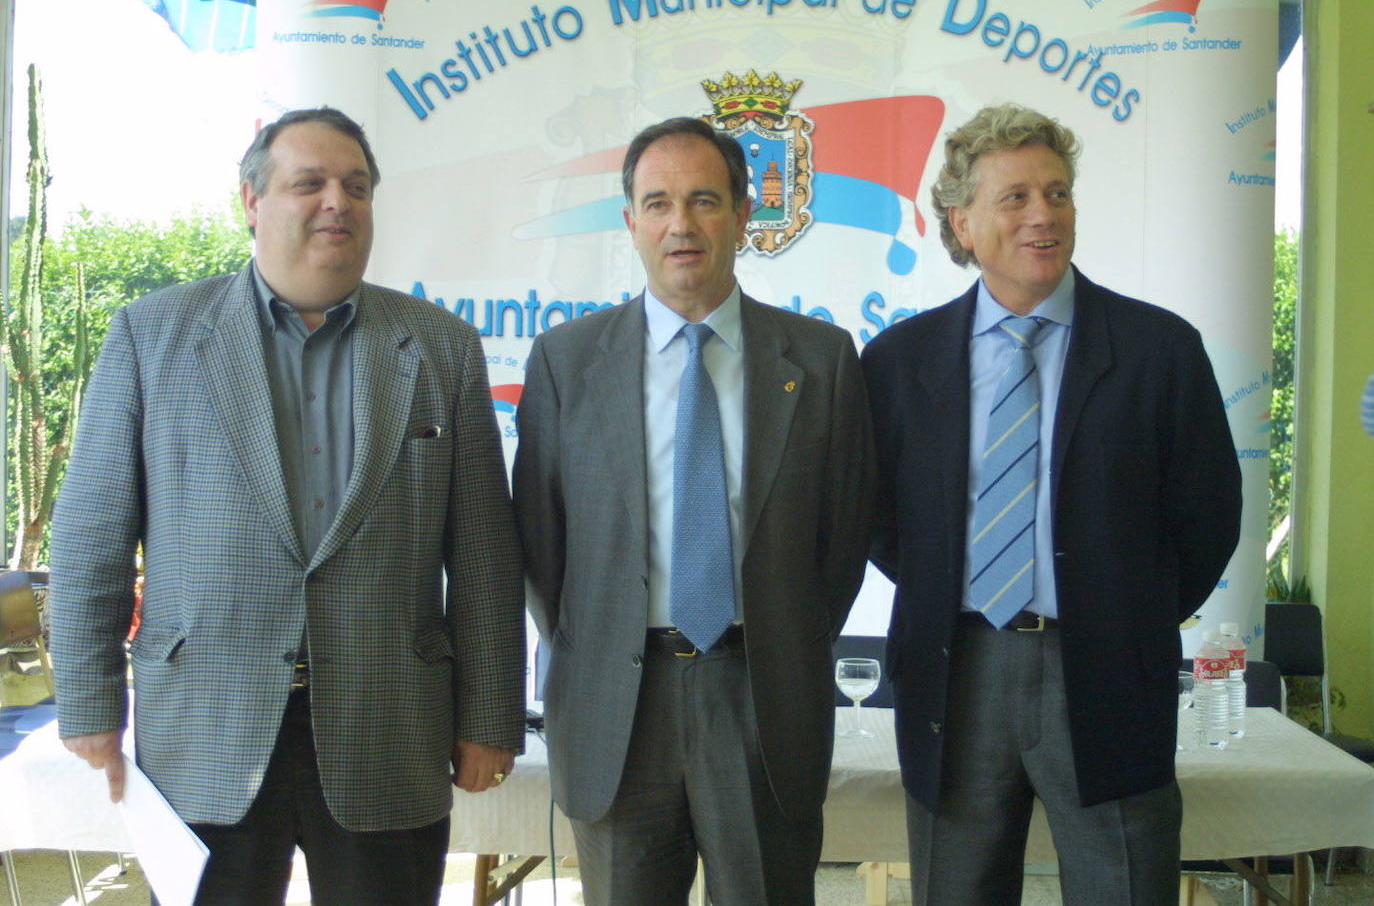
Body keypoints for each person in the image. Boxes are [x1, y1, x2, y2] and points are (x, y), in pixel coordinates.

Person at [48, 107, 526, 905]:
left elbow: (483, 553)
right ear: (251, 200)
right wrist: (89, 703)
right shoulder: (152, 334)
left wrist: (489, 716)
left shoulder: (440, 346)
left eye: (357, 186)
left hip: (388, 726)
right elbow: (92, 536)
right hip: (205, 726)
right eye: (310, 183)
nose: (337, 201)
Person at [861, 104, 1243, 904]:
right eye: (1017, 197)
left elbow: (1208, 516)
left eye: (1059, 193)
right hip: (957, 672)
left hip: (1106, 672)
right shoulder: (900, 362)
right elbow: (882, 522)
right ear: (961, 223)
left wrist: (1125, 613)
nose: (1045, 215)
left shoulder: (1158, 350)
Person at [512, 117, 874, 905]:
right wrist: (596, 644)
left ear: (745, 216)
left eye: (705, 200)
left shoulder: (821, 360)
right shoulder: (566, 362)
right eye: (659, 202)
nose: (682, 224)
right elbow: (542, 547)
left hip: (762, 700)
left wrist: (777, 639)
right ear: (630, 223)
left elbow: (843, 542)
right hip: (618, 708)